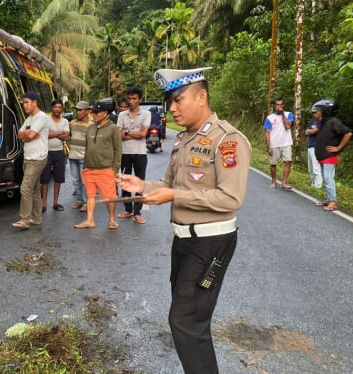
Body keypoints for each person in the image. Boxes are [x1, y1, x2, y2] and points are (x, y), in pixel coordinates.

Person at [118, 67, 251, 374]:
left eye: (178, 100)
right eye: (169, 103)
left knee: (186, 321)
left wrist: (173, 196)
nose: (172, 109)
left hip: (211, 241)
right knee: (187, 317)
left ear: (202, 96)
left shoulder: (227, 140)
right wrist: (143, 187)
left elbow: (231, 199)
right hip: (184, 240)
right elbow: (167, 186)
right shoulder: (182, 140)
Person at [74, 98, 122, 230]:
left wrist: (114, 169)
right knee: (90, 196)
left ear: (106, 113)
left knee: (109, 197)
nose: (94, 115)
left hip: (106, 169)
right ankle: (90, 220)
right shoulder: (90, 128)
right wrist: (85, 167)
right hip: (89, 169)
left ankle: (112, 220)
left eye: (97, 112)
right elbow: (88, 148)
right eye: (93, 112)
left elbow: (118, 150)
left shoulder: (113, 129)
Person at [12, 91, 50, 229]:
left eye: (27, 102)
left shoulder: (41, 117)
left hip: (37, 158)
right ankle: (37, 217)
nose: (24, 105)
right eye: (23, 103)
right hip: (28, 157)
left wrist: (29, 135)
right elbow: (19, 135)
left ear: (35, 102)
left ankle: (24, 219)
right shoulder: (29, 119)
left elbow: (31, 134)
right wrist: (28, 136)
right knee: (34, 189)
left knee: (25, 188)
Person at [311, 99, 353, 211]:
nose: (314, 113)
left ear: (325, 111)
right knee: (326, 178)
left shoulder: (334, 121)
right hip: (322, 156)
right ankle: (329, 199)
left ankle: (333, 201)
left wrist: (338, 147)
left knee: (328, 178)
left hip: (329, 156)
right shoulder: (323, 122)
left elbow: (348, 133)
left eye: (317, 111)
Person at [116, 87, 150, 224]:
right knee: (125, 182)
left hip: (140, 153)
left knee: (139, 183)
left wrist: (127, 132)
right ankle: (128, 209)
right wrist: (136, 133)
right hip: (125, 153)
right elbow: (119, 135)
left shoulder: (146, 114)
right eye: (129, 98)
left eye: (134, 98)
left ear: (140, 100)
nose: (131, 101)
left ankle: (137, 212)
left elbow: (143, 134)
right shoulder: (122, 115)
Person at [41, 99, 69, 212]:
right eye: (55, 107)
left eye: (59, 107)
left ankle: (56, 203)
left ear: (62, 109)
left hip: (59, 152)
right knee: (45, 179)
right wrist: (60, 133)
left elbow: (67, 137)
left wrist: (53, 133)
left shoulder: (65, 121)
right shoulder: (46, 120)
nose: (57, 109)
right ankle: (43, 205)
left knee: (58, 178)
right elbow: (45, 134)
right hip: (46, 151)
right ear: (52, 108)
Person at [264, 97, 294, 189]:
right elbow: (267, 133)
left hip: (286, 142)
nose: (279, 106)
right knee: (273, 163)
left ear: (283, 105)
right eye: (277, 104)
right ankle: (274, 181)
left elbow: (288, 126)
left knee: (288, 161)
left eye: (281, 104)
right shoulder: (270, 118)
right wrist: (269, 147)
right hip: (274, 143)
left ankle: (284, 182)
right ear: (274, 106)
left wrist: (282, 115)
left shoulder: (289, 114)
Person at [68, 101, 92, 212]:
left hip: (85, 157)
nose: (78, 112)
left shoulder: (92, 124)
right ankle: (80, 200)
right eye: (77, 110)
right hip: (72, 156)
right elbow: (68, 136)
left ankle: (88, 202)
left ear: (87, 111)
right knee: (75, 180)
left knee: (85, 181)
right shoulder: (72, 122)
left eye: (80, 110)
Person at [304, 115, 323, 189]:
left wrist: (310, 131)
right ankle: (313, 184)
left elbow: (314, 131)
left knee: (316, 167)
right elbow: (306, 131)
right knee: (310, 168)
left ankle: (318, 186)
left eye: (315, 112)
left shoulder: (321, 122)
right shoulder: (313, 121)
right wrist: (310, 131)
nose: (314, 114)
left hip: (316, 147)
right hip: (310, 146)